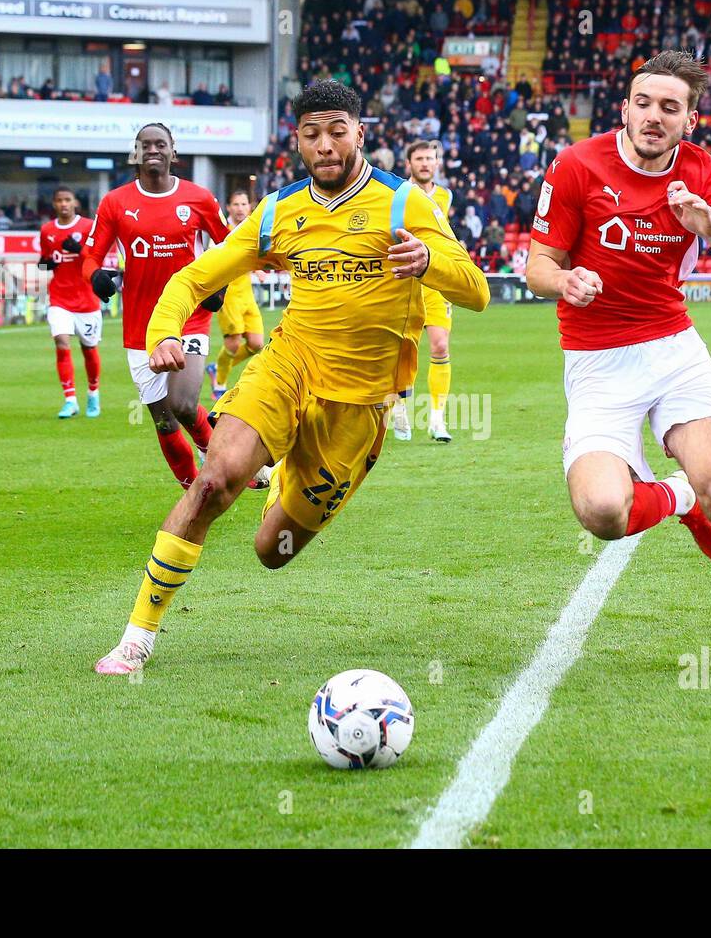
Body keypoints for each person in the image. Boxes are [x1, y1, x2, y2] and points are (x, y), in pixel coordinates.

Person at [93, 80, 489, 675]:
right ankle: (136, 638)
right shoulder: (278, 210)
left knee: (270, 552)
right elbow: (194, 279)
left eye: (336, 130)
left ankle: (286, 482)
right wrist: (165, 334)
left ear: (360, 133)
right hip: (288, 365)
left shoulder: (407, 203)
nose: (325, 144)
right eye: (311, 134)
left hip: (357, 405)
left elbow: (477, 292)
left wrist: (432, 263)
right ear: (298, 141)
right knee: (214, 482)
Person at [525, 50, 711, 681]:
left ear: (689, 120)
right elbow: (535, 265)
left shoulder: (700, 172)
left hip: (672, 350)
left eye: (669, 107)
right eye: (642, 103)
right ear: (624, 108)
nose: (653, 116)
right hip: (595, 364)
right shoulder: (576, 164)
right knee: (602, 514)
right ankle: (678, 496)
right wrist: (565, 282)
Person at [81, 123, 228, 487]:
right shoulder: (115, 202)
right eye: (145, 144)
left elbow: (232, 246)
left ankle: (222, 463)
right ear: (136, 152)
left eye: (160, 144)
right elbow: (90, 256)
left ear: (173, 152)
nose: (152, 150)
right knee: (163, 420)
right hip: (139, 327)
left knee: (182, 402)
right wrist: (96, 277)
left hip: (189, 317)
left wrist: (217, 286)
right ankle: (194, 490)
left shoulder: (200, 198)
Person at [205, 188, 274, 489]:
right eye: (235, 203)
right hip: (230, 295)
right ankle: (219, 382)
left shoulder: (255, 227)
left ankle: (214, 370)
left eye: (245, 203)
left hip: (248, 295)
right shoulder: (223, 232)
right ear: (229, 208)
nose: (241, 207)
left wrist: (261, 268)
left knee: (258, 344)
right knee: (233, 344)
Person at [390, 139, 456, 442]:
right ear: (409, 164)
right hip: (403, 279)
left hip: (434, 279)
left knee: (440, 346)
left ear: (437, 163)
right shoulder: (397, 194)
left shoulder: (445, 196)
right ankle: (399, 404)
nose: (426, 163)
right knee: (402, 347)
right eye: (419, 159)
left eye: (430, 158)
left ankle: (437, 420)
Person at [38, 185, 101, 418]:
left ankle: (93, 393)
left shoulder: (87, 226)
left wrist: (80, 250)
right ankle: (70, 400)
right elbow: (44, 261)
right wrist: (45, 264)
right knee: (62, 343)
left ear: (75, 202)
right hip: (59, 298)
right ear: (54, 204)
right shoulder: (46, 230)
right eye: (59, 200)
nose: (64, 204)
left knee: (89, 348)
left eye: (68, 200)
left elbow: (96, 258)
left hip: (86, 300)